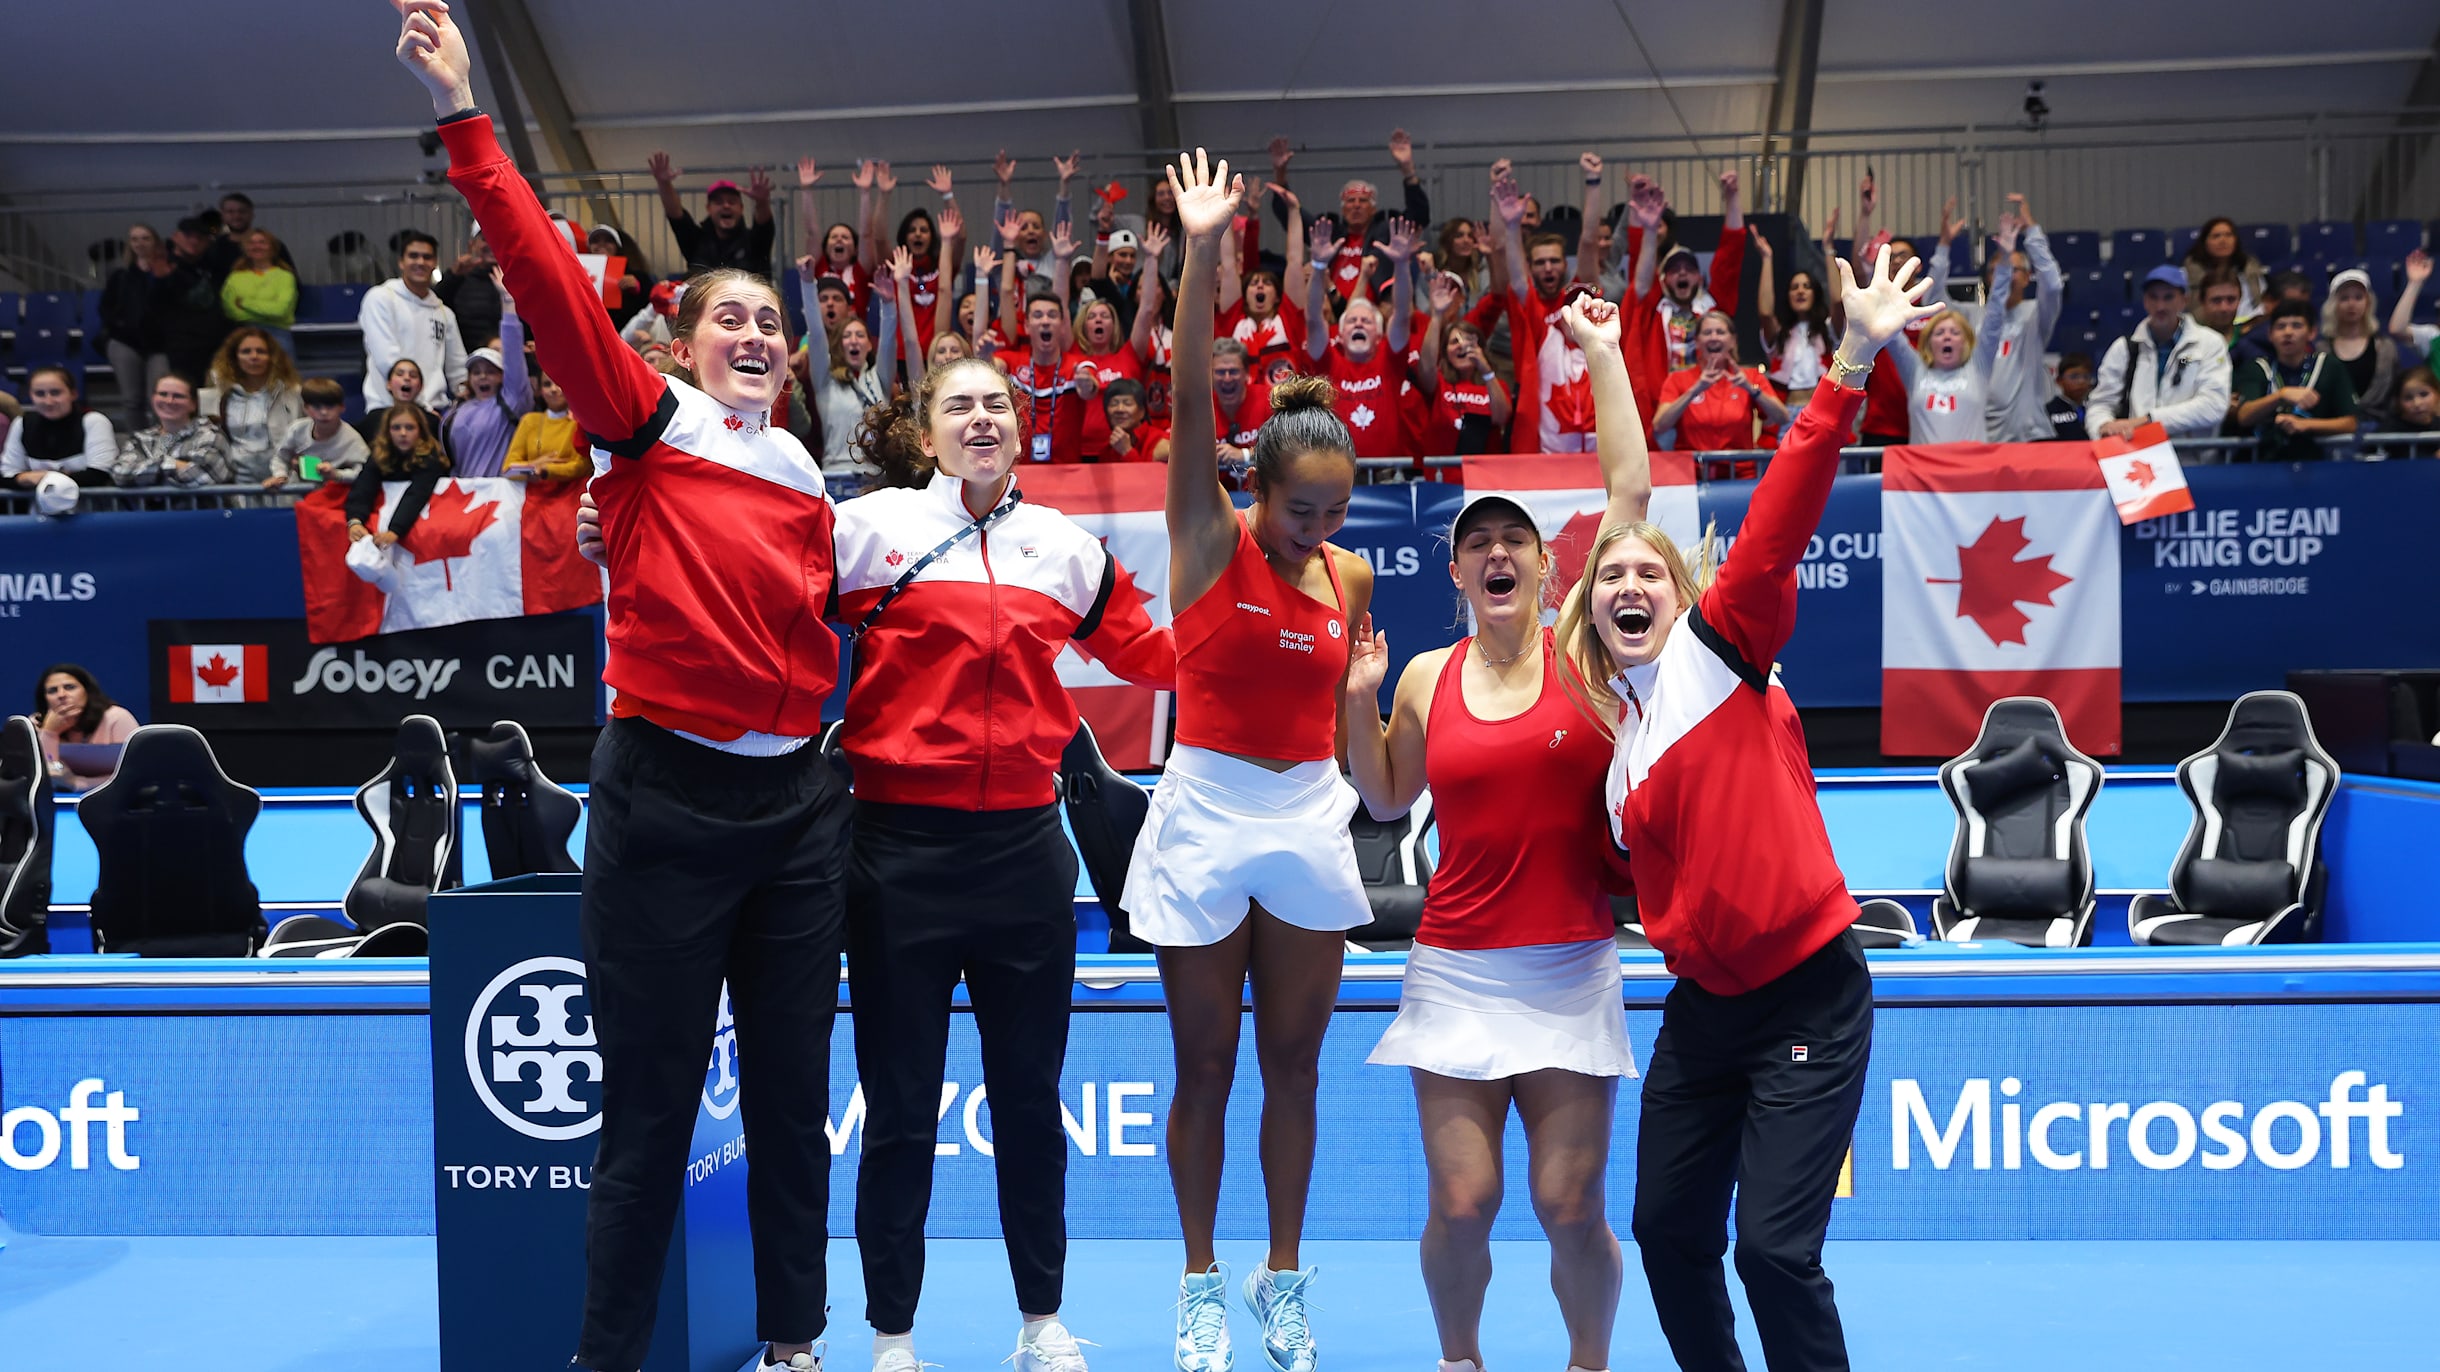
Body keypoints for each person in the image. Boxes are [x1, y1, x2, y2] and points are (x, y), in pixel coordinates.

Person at [396, 9, 849, 1370]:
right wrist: (469, 114)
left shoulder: (815, 479)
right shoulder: (645, 425)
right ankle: (605, 1359)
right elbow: (542, 279)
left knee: (789, 1104)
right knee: (648, 1113)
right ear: (686, 343)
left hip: (800, 817)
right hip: (667, 806)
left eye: (772, 319)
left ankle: (794, 1349)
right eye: (733, 318)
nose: (758, 333)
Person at [1568, 245, 1937, 1372]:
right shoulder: (1619, 757)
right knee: (1668, 1235)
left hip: (1808, 996)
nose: (1628, 585)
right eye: (1608, 578)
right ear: (1588, 612)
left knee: (1772, 1251)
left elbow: (1778, 516)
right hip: (1703, 1012)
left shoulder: (1721, 654)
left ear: (1684, 596)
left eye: (1649, 574)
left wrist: (1848, 364)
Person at [835, 356, 1173, 1372]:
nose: (980, 419)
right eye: (959, 406)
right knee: (898, 1106)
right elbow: (764, 605)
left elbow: (1153, 654)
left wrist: (1266, 609)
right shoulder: (869, 529)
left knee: (1030, 1098)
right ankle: (892, 1334)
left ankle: (1041, 1321)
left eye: (996, 404)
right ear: (927, 429)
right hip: (896, 854)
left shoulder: (1064, 547)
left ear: (1018, 423)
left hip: (1026, 857)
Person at [1342, 295, 1645, 1372]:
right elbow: (1381, 801)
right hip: (1456, 969)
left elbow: (1628, 491)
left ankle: (1587, 1362)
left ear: (1548, 567)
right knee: (1463, 1203)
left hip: (1570, 963)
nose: (1500, 552)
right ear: (1459, 573)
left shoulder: (1588, 654)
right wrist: (1356, 696)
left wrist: (1602, 351)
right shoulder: (1424, 675)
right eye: (1480, 544)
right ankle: (1459, 1360)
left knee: (1569, 1207)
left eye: (1517, 538)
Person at [1132, 150, 1377, 1372]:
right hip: (1204, 812)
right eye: (1302, 510)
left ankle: (1283, 1279)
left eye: (1336, 511)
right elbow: (1184, 399)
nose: (1320, 530)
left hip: (1307, 815)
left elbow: (1352, 735)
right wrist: (1203, 250)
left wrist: (1371, 710)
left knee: (1293, 1062)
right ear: (1255, 488)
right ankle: (1195, 1283)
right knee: (1206, 1063)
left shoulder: (1352, 579)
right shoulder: (1204, 536)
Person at [1265, 128, 1431, 303]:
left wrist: (1408, 170)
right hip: (1332, 312)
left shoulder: (1386, 234)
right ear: (1343, 209)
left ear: (1374, 209)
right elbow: (1290, 215)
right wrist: (1280, 174)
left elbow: (1419, 215)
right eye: (1351, 201)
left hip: (1374, 313)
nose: (1357, 206)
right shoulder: (1329, 234)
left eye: (1363, 201)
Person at [1882, 229, 2013, 445]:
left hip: (1971, 472)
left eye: (1954, 332)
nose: (1947, 337)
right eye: (1940, 332)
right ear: (1928, 342)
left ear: (1966, 342)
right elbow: (1892, 331)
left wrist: (2006, 261)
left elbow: (1995, 315)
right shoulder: (1915, 371)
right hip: (1925, 473)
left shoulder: (1978, 368)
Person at [1304, 215, 1420, 459]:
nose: (1358, 323)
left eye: (1366, 321)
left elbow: (1400, 316)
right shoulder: (1328, 364)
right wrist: (1318, 267)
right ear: (1341, 336)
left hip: (1387, 478)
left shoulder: (1391, 362)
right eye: (1352, 321)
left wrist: (1401, 264)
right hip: (1337, 476)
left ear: (1379, 336)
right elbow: (1314, 319)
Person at [2085, 265, 2234, 442]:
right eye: (2153, 297)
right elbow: (2100, 404)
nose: (2160, 306)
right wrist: (2103, 427)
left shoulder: (2209, 343)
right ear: (2145, 302)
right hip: (2136, 456)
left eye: (2168, 297)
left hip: (2193, 458)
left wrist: (2148, 420)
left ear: (2184, 300)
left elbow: (2213, 406)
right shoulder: (2124, 348)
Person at [1980, 194, 2064, 442]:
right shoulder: (1973, 320)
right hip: (1984, 437)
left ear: (2027, 278)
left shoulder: (2036, 314)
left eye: (2015, 269)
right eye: (1999, 270)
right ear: (1989, 279)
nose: (2007, 275)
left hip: (2031, 436)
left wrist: (2033, 232)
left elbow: (2054, 285)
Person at [2232, 298, 2358, 461]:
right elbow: (2244, 416)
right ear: (2270, 334)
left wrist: (2305, 425)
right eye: (2280, 326)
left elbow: (2350, 423)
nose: (2288, 332)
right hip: (2267, 463)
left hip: (2319, 463)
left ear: (2312, 332)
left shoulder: (2329, 366)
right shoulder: (2258, 368)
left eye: (2297, 325)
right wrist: (2280, 395)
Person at [1652, 310, 1789, 456]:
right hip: (1694, 472)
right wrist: (1694, 390)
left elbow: (1782, 418)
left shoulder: (1750, 377)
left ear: (1733, 340)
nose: (1714, 337)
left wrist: (1751, 389)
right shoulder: (1677, 379)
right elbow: (1659, 426)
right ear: (1697, 341)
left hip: (1740, 472)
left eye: (1720, 332)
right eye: (1707, 333)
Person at [359, 229, 467, 412]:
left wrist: (468, 396)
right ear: (401, 262)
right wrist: (418, 404)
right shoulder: (380, 298)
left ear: (435, 263)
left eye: (427, 257)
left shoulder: (443, 312)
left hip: (433, 410)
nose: (420, 262)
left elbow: (458, 367)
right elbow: (387, 359)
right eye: (413, 256)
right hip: (387, 408)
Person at [440, 273, 532, 478]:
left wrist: (508, 301)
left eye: (491, 372)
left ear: (503, 376)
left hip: (500, 499)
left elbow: (513, 356)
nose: (482, 377)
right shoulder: (456, 410)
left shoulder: (512, 400)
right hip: (464, 497)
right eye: (476, 372)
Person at [1418, 274, 1513, 462]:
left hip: (1483, 480)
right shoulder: (1439, 383)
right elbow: (1425, 366)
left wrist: (1486, 371)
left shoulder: (1495, 384)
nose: (1462, 346)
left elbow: (1501, 417)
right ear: (1445, 352)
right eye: (1454, 342)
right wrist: (1436, 315)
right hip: (1442, 480)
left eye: (1469, 340)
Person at [202, 327, 304, 486]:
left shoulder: (294, 393)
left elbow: (311, 438)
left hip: (285, 478)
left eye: (261, 351)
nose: (254, 357)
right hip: (236, 479)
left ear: (272, 357)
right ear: (234, 357)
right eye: (246, 351)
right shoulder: (216, 395)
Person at [100, 224, 175, 431]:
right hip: (126, 341)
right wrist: (120, 326)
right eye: (135, 239)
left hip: (160, 344)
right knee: (131, 399)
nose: (140, 243)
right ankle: (138, 444)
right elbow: (106, 308)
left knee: (160, 397)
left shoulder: (168, 272)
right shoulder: (121, 275)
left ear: (155, 242)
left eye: (145, 238)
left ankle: (162, 443)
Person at [653, 153, 776, 278]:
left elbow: (763, 224)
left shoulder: (753, 241)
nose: (726, 206)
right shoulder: (696, 241)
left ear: (741, 208)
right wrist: (664, 183)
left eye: (732, 201)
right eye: (718, 202)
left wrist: (762, 202)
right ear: (708, 208)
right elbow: (676, 215)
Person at [2321, 267, 2414, 430]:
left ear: (2368, 302)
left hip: (2382, 430)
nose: (2352, 304)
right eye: (2344, 298)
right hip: (2334, 429)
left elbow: (2396, 393)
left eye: (2358, 297)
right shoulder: (2320, 350)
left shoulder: (2386, 348)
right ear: (2333, 305)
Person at [346, 404, 453, 544]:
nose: (403, 433)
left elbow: (417, 494)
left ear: (420, 430)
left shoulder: (431, 458)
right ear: (387, 431)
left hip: (422, 512)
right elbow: (364, 488)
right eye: (396, 428)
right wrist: (355, 521)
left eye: (410, 428)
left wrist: (395, 530)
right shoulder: (379, 455)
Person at [109, 373, 232, 487]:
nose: (169, 401)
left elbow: (203, 476)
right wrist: (174, 465)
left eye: (178, 396)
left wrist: (149, 470)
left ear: (193, 404)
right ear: (152, 399)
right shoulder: (139, 439)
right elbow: (119, 473)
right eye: (163, 394)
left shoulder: (210, 434)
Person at [3, 367, 118, 489]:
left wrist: (39, 478)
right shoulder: (21, 424)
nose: (48, 401)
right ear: (30, 396)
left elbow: (99, 475)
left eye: (56, 392)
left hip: (95, 506)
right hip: (40, 507)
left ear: (73, 394)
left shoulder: (94, 421)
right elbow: (7, 476)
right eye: (39, 394)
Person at [32, 665, 138, 795]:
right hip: (55, 802)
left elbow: (135, 774)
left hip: (113, 798)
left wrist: (77, 783)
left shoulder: (117, 718)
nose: (61, 695)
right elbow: (44, 773)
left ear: (87, 691)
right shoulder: (36, 723)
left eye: (70, 687)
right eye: (52, 691)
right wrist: (50, 733)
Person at [155, 217, 233, 386]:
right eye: (188, 235)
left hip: (214, 346)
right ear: (176, 236)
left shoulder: (213, 265)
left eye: (200, 237)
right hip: (181, 348)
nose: (194, 241)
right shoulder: (161, 266)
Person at [1757, 244, 1833, 408]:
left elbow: (1839, 301)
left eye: (1807, 287)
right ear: (1788, 296)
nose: (1800, 291)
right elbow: (1765, 313)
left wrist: (1829, 250)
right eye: (1794, 287)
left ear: (1816, 294)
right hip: (1788, 411)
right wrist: (1767, 258)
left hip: (1822, 411)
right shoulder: (1779, 333)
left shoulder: (1829, 329)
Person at [273, 377, 371, 486]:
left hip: (335, 496)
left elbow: (365, 472)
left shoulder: (352, 439)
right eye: (316, 407)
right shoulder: (296, 429)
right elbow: (280, 458)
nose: (324, 412)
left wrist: (337, 475)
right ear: (306, 408)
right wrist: (280, 475)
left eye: (330, 406)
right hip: (298, 493)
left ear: (342, 407)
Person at [219, 229, 299, 359]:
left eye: (262, 242)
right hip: (243, 334)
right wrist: (265, 308)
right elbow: (231, 311)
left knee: (282, 378)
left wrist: (244, 303)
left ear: (272, 248)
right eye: (251, 243)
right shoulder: (235, 277)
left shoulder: (285, 277)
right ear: (245, 249)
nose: (257, 246)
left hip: (278, 335)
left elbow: (280, 310)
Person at [504, 372, 588, 481]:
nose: (553, 389)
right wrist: (535, 465)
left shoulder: (581, 422)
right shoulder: (529, 421)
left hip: (572, 494)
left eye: (559, 384)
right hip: (532, 495)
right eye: (547, 384)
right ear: (540, 391)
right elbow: (508, 469)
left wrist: (546, 469)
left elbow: (583, 466)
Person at [2183, 217, 2266, 322]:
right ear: (2205, 242)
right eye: (2216, 236)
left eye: (2228, 235)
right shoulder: (2188, 275)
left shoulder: (2250, 269)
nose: (2223, 240)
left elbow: (2261, 304)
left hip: (2249, 327)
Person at [357, 358, 445, 449]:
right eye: (399, 374)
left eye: (413, 375)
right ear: (389, 384)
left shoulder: (432, 421)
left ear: (421, 387)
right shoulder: (373, 418)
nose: (407, 378)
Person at [437, 231, 504, 348]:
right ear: (472, 245)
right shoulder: (458, 278)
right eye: (485, 239)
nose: (493, 243)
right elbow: (435, 306)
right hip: (468, 360)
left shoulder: (519, 279)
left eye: (499, 239)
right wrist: (453, 276)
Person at [2047, 352, 2094, 441]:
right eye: (2074, 376)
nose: (2081, 381)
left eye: (2086, 376)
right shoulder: (2049, 411)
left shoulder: (2096, 408)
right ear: (2059, 381)